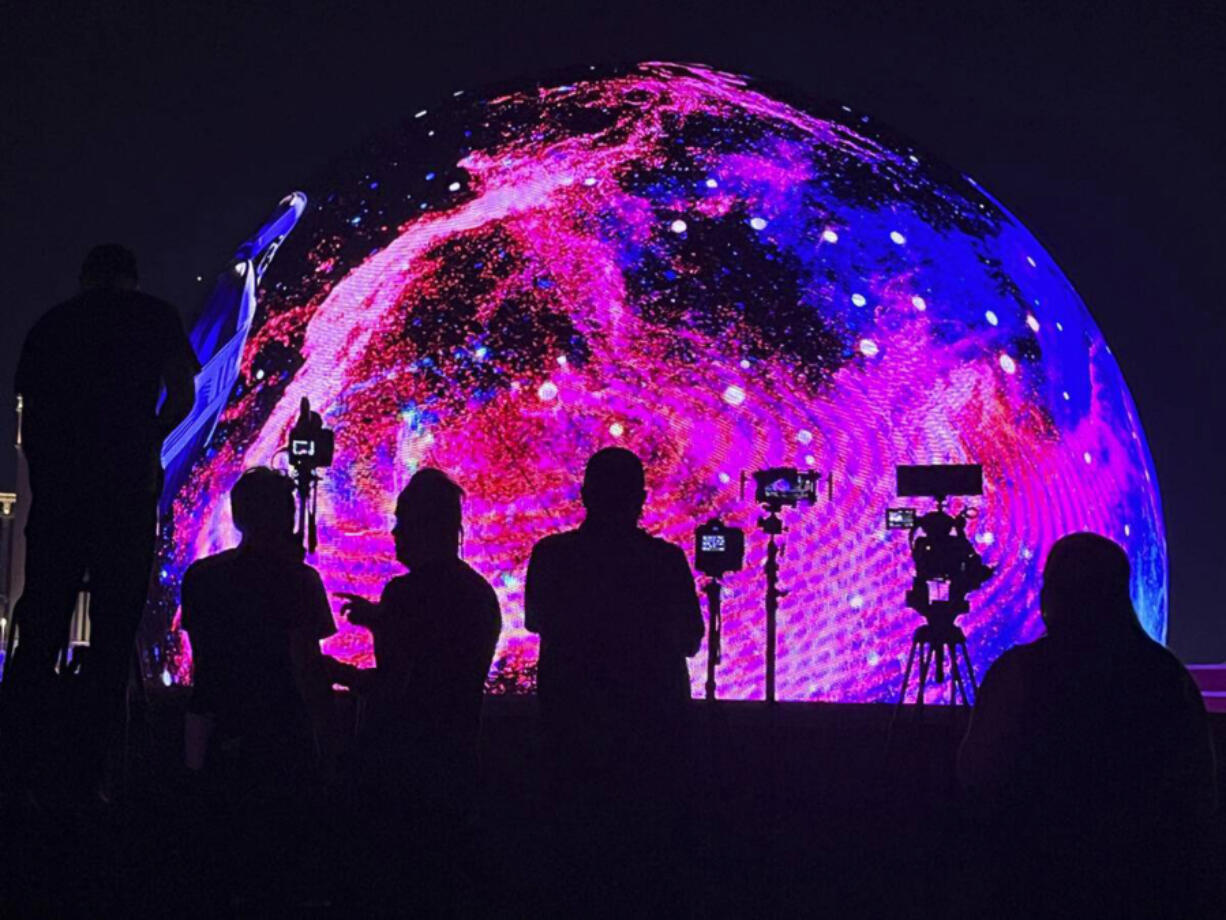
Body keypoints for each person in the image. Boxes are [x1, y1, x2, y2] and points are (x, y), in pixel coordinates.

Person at [3, 244, 198, 799]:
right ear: (132, 277)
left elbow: (31, 412)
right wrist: (150, 436)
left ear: (85, 277)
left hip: (63, 497)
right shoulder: (155, 316)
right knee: (114, 631)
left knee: (41, 621)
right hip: (125, 494)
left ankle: (18, 759)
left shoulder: (52, 324)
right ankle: (99, 768)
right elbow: (183, 394)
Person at [957, 532, 1217, 918]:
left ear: (1054, 596)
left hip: (1032, 884)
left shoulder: (1020, 673)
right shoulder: (1165, 676)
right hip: (1147, 889)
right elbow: (1199, 788)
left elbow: (975, 772)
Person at [525, 447, 704, 912]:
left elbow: (537, 619)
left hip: (569, 741)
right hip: (651, 747)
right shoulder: (665, 562)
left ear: (584, 494)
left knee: (572, 873)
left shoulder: (551, 555)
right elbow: (690, 639)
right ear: (641, 499)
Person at [335, 468, 501, 912]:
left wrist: (340, 673)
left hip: (401, 771)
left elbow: (399, 684)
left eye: (403, 520)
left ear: (426, 527)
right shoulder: (479, 593)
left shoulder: (405, 593)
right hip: (458, 762)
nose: (395, 532)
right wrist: (379, 621)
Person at [180, 467, 337, 786]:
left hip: (215, 727)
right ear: (288, 517)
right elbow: (306, 666)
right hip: (282, 733)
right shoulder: (300, 581)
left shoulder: (201, 576)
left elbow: (204, 661)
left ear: (238, 516)